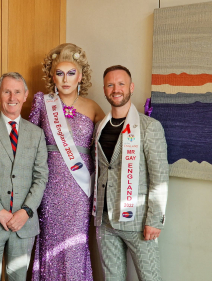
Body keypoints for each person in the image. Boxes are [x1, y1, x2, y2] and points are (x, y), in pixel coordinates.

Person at [29, 43, 105, 281]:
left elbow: (109, 143)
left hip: (80, 189)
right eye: (59, 73)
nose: (65, 79)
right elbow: (28, 143)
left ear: (80, 76)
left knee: (76, 244)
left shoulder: (92, 107)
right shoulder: (43, 103)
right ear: (52, 76)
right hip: (49, 186)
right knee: (50, 242)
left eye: (71, 73)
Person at [0, 72, 48, 281]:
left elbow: (41, 177)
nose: (12, 97)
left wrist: (26, 212)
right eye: (6, 91)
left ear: (25, 95)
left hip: (24, 225)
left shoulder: (37, 134)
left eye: (17, 92)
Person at [92, 65, 169, 280]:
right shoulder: (99, 127)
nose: (116, 89)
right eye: (110, 84)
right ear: (105, 89)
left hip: (138, 222)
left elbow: (159, 176)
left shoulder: (149, 127)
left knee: (150, 277)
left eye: (121, 84)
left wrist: (155, 220)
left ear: (131, 87)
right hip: (106, 222)